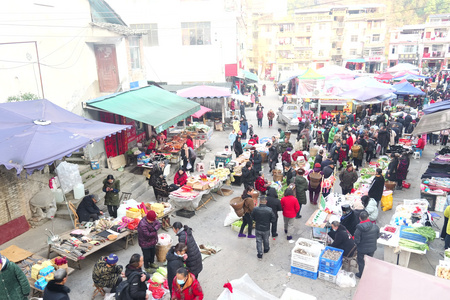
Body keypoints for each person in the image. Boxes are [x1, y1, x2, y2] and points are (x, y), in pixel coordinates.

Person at [354, 211, 380, 278]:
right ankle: (368, 272)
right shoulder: (375, 226)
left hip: (362, 249)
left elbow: (356, 241)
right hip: (372, 248)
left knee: (361, 262)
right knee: (369, 260)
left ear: (360, 218)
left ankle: (361, 274)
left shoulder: (358, 229)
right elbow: (377, 236)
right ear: (368, 217)